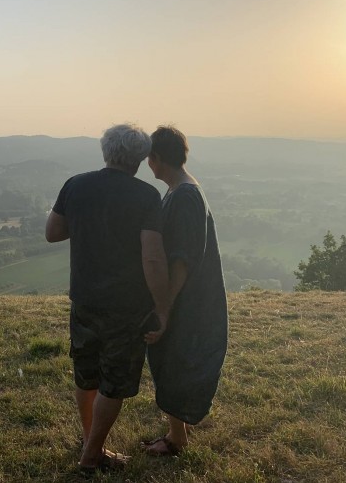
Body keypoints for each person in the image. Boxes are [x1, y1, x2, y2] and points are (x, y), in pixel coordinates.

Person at [46, 123, 170, 474]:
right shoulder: (146, 197)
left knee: (86, 376)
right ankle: (90, 455)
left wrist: (86, 224)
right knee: (114, 382)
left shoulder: (76, 185)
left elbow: (53, 233)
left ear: (105, 151)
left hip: (83, 299)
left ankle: (91, 441)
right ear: (140, 159)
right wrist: (162, 307)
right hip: (127, 307)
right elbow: (152, 257)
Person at [141, 125, 228, 457]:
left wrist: (165, 307)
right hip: (191, 297)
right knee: (175, 359)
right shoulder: (183, 190)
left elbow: (182, 260)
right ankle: (178, 429)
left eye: (149, 158)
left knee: (173, 362)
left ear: (157, 158)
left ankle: (177, 439)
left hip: (188, 299)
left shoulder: (185, 195)